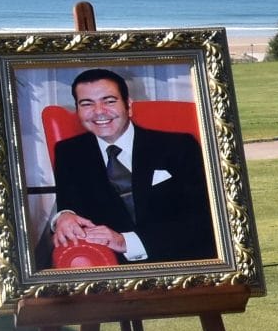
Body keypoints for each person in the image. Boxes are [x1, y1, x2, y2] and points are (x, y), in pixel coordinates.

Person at [45, 67, 218, 265]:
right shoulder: (69, 152)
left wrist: (126, 241)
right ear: (78, 110)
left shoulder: (180, 146)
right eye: (87, 104)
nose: (99, 111)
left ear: (128, 105)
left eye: (109, 101)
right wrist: (63, 216)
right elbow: (69, 204)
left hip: (183, 258)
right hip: (113, 268)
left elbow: (205, 216)